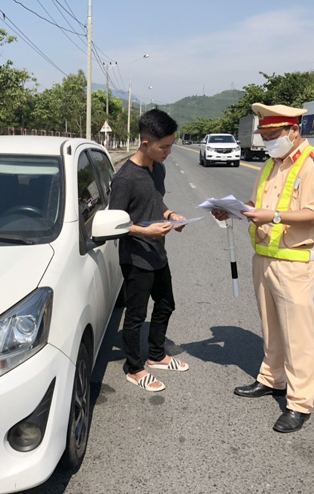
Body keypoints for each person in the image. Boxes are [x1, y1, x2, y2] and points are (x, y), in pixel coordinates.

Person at [213, 103, 314, 432]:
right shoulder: (270, 165)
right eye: (264, 136)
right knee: (272, 329)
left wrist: (274, 217)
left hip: (294, 263)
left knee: (298, 337)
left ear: (293, 131)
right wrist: (235, 211)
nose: (267, 142)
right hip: (264, 257)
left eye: (272, 136)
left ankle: (299, 403)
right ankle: (271, 379)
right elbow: (259, 206)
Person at [109, 109, 189, 392]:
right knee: (135, 315)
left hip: (158, 252)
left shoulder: (159, 168)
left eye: (171, 144)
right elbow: (114, 224)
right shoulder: (125, 179)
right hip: (136, 256)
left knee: (166, 304)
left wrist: (171, 216)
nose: (169, 151)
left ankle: (156, 355)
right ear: (146, 144)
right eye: (164, 146)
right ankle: (134, 368)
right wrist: (145, 231)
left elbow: (158, 204)